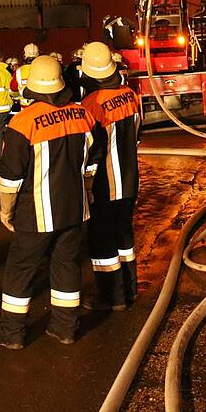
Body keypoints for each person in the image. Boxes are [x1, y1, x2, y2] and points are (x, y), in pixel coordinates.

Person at [0, 55, 100, 349]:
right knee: (66, 265)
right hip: (75, 210)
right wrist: (85, 192)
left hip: (36, 213)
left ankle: (12, 331)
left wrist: (6, 210)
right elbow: (91, 163)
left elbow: (11, 175)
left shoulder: (23, 122)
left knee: (21, 269)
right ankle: (65, 328)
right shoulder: (83, 116)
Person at [79, 42, 141, 311]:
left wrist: (87, 183)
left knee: (102, 238)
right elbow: (138, 135)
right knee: (124, 233)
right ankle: (130, 288)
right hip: (130, 178)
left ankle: (112, 297)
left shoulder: (91, 104)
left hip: (105, 183)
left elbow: (92, 151)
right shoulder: (130, 95)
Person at [14, 43, 40, 109]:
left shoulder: (18, 71)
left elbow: (13, 87)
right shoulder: (43, 68)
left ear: (24, 56)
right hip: (39, 105)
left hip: (24, 107)